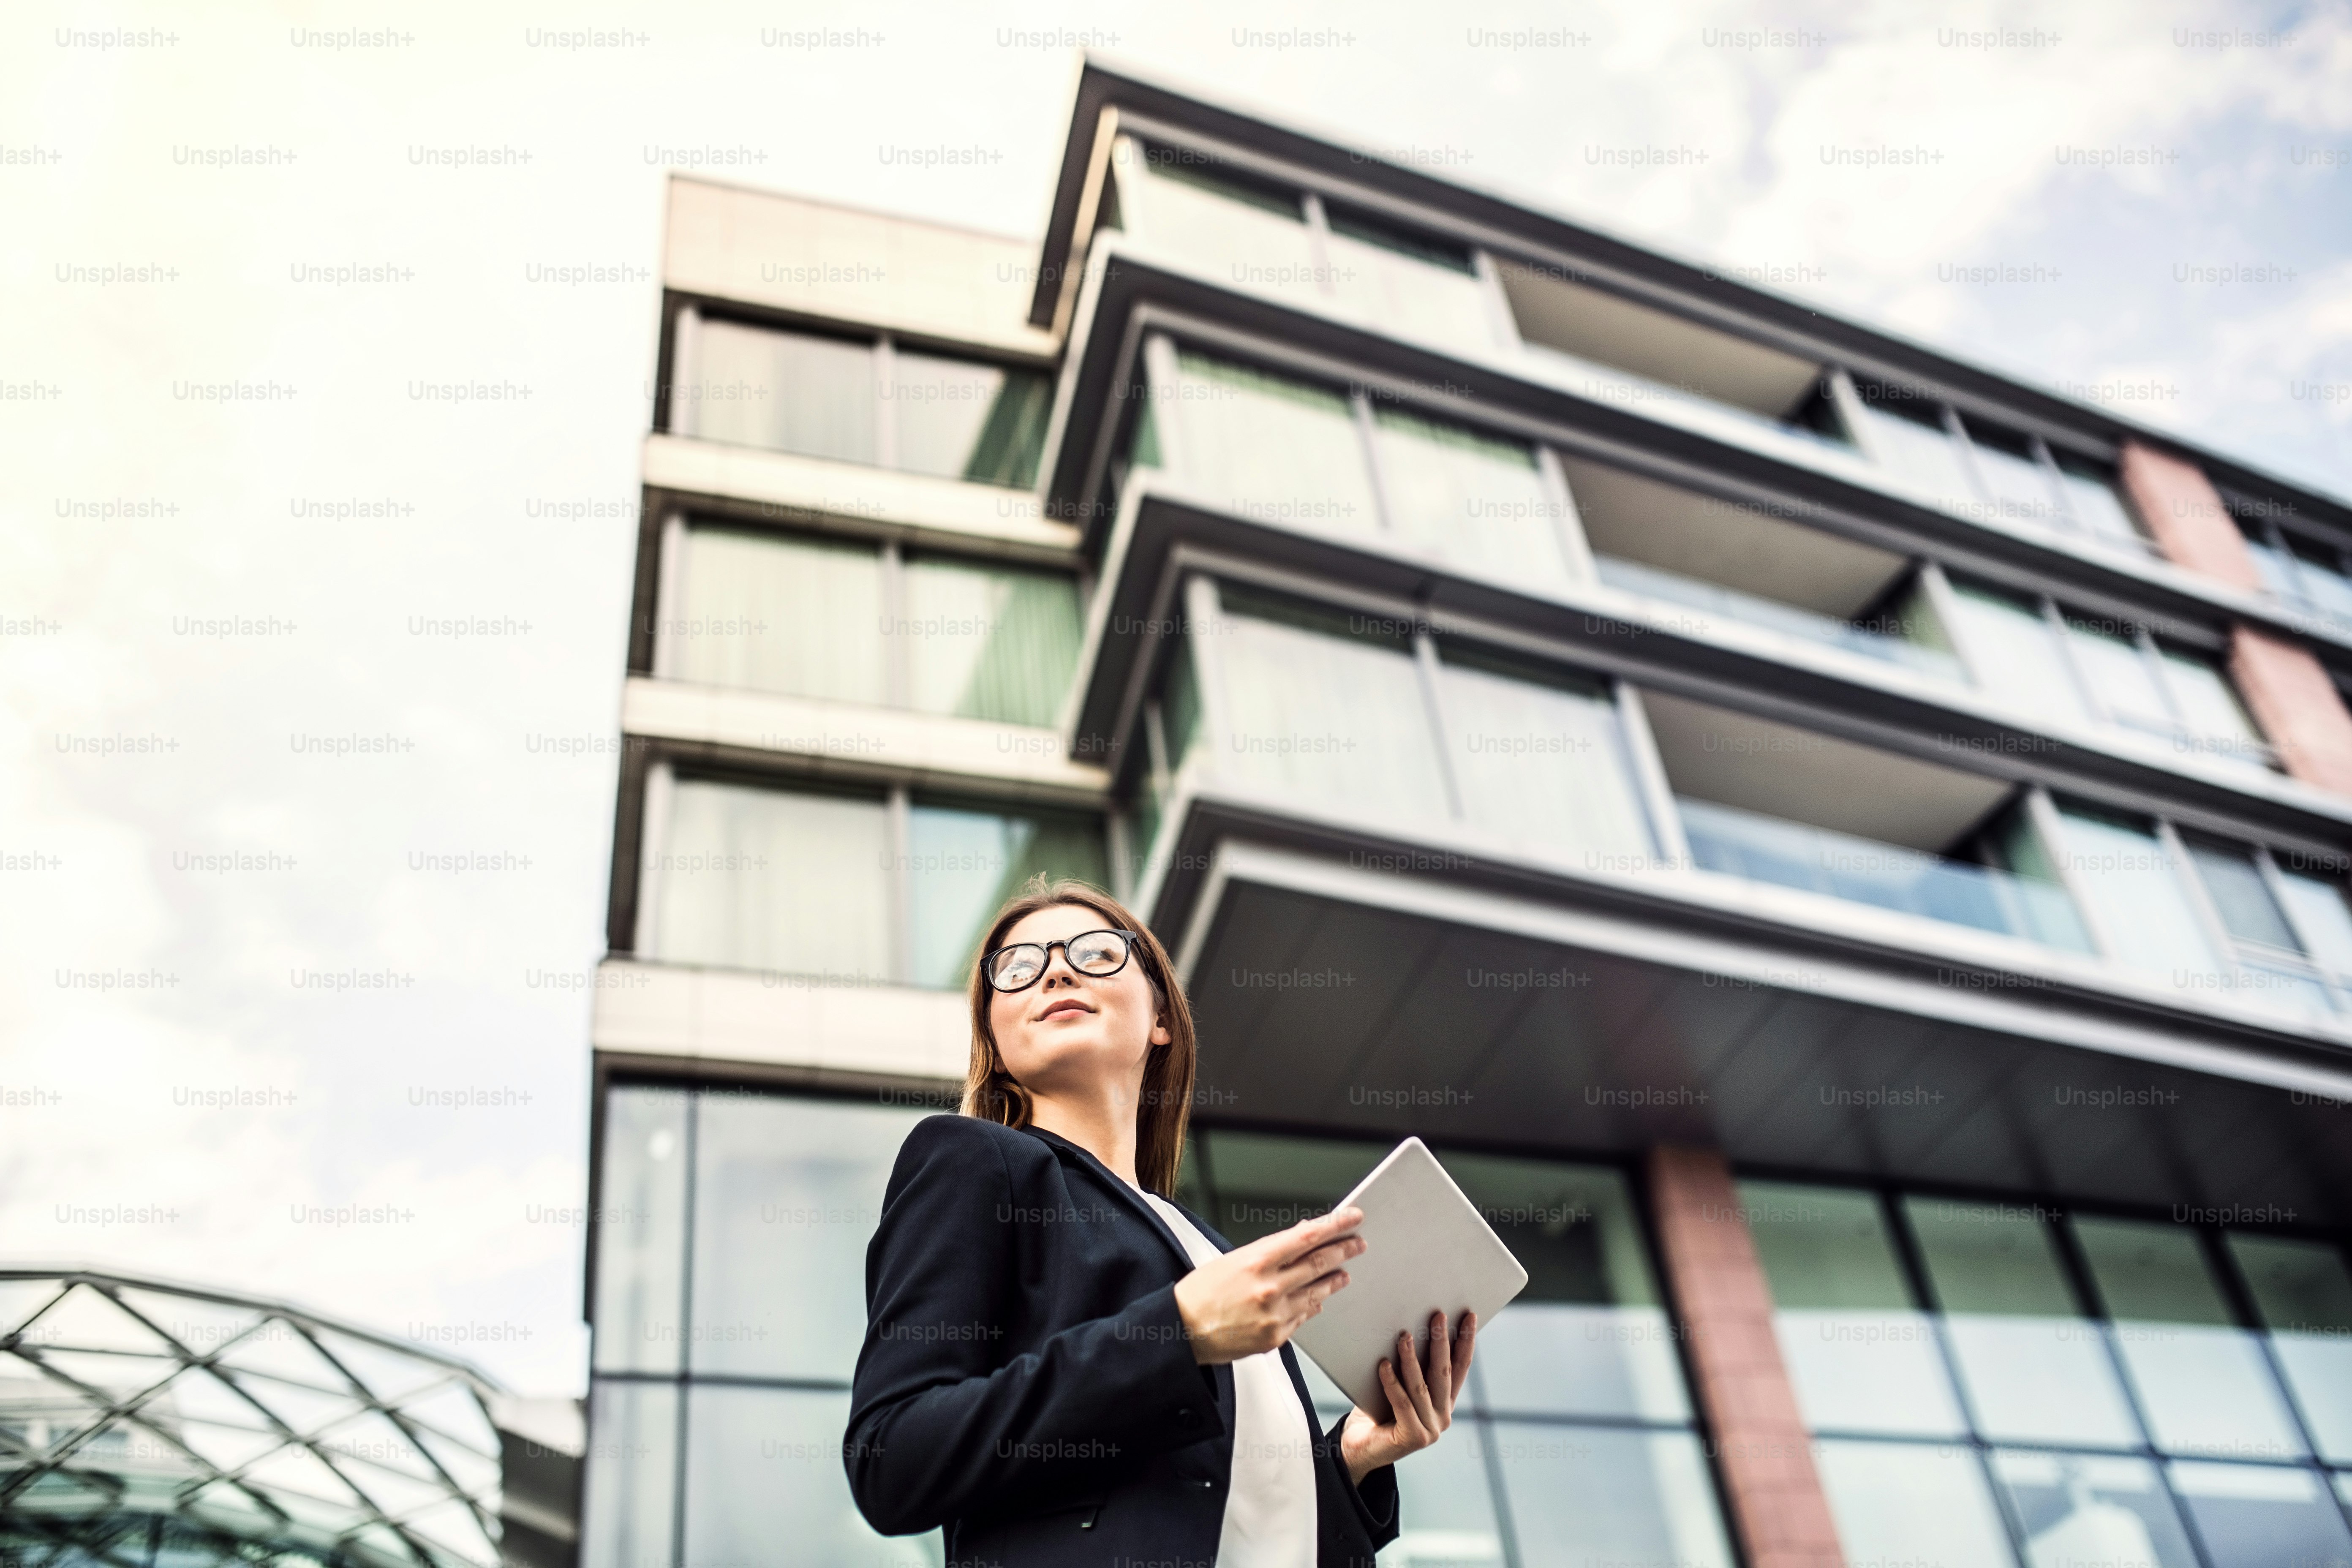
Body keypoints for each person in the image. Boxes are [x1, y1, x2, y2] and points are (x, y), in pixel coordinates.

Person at [845, 878, 1476, 1566]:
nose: (1056, 969)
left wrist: (1353, 1458)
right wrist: (1179, 1333)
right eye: (1019, 968)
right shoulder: (972, 1160)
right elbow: (891, 1456)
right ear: (994, 1042)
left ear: (1160, 1019)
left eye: (1095, 953)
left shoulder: (1207, 1249)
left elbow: (1237, 1515)